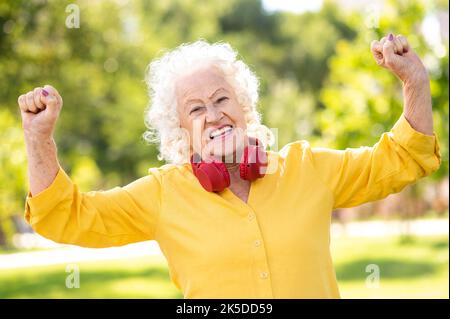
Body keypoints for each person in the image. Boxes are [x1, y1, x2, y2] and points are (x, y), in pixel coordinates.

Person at [18, 34, 441, 298]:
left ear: (244, 106)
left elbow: (403, 158)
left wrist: (414, 82)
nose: (214, 115)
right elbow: (66, 217)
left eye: (222, 99)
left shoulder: (307, 168)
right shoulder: (162, 195)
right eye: (196, 109)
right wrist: (39, 139)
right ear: (180, 129)